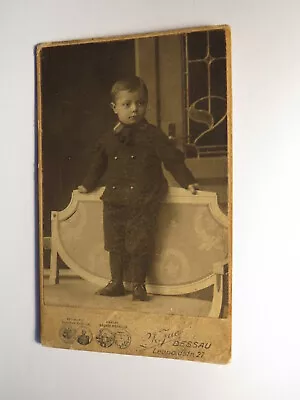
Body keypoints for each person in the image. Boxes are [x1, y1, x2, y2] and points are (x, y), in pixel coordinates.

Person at [78, 76, 200, 301]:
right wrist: (87, 184)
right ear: (115, 108)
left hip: (143, 198)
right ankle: (115, 282)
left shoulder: (153, 135)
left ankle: (138, 285)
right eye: (127, 104)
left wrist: (187, 181)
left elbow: (172, 160)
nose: (135, 109)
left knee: (139, 242)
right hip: (115, 198)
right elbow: (98, 164)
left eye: (140, 103)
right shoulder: (109, 138)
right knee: (114, 242)